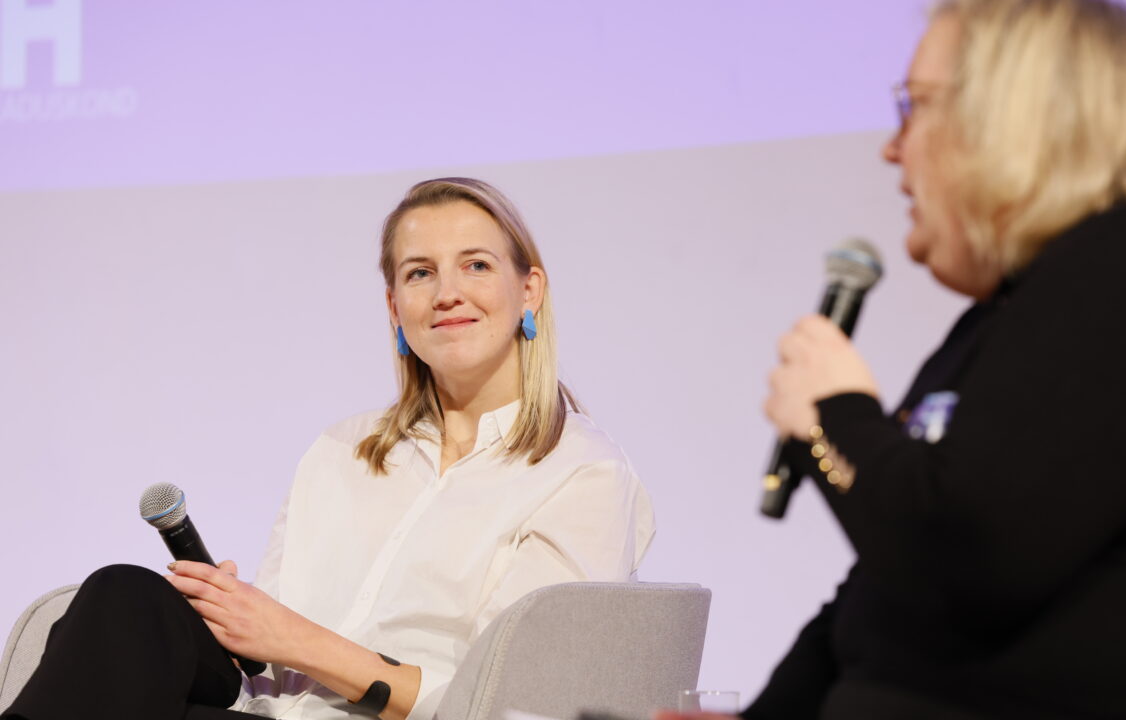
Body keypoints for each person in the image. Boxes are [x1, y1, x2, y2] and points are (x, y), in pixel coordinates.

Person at [668, 1, 1126, 718]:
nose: (891, 149)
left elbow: (964, 556)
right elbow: (884, 589)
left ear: (1010, 117)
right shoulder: (1013, 310)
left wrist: (831, 417)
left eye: (914, 108)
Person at [3, 177, 655, 720]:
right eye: (420, 273)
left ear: (530, 291)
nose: (448, 292)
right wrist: (239, 624)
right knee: (125, 599)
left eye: (476, 265)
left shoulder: (583, 473)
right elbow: (266, 668)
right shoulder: (343, 449)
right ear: (396, 308)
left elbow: (509, 702)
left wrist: (296, 639)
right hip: (265, 711)